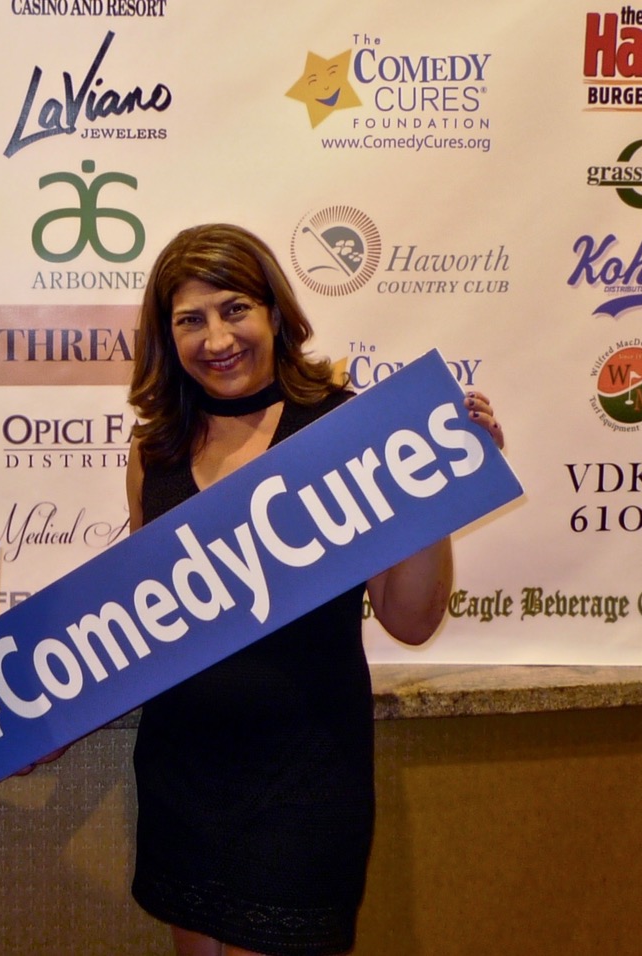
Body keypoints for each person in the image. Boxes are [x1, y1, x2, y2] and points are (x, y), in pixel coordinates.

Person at [124, 223, 503, 956]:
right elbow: (147, 628)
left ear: (275, 312)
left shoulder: (349, 430)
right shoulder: (153, 451)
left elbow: (410, 619)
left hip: (305, 777)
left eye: (235, 309)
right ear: (167, 337)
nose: (216, 338)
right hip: (182, 774)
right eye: (190, 320)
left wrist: (439, 490)